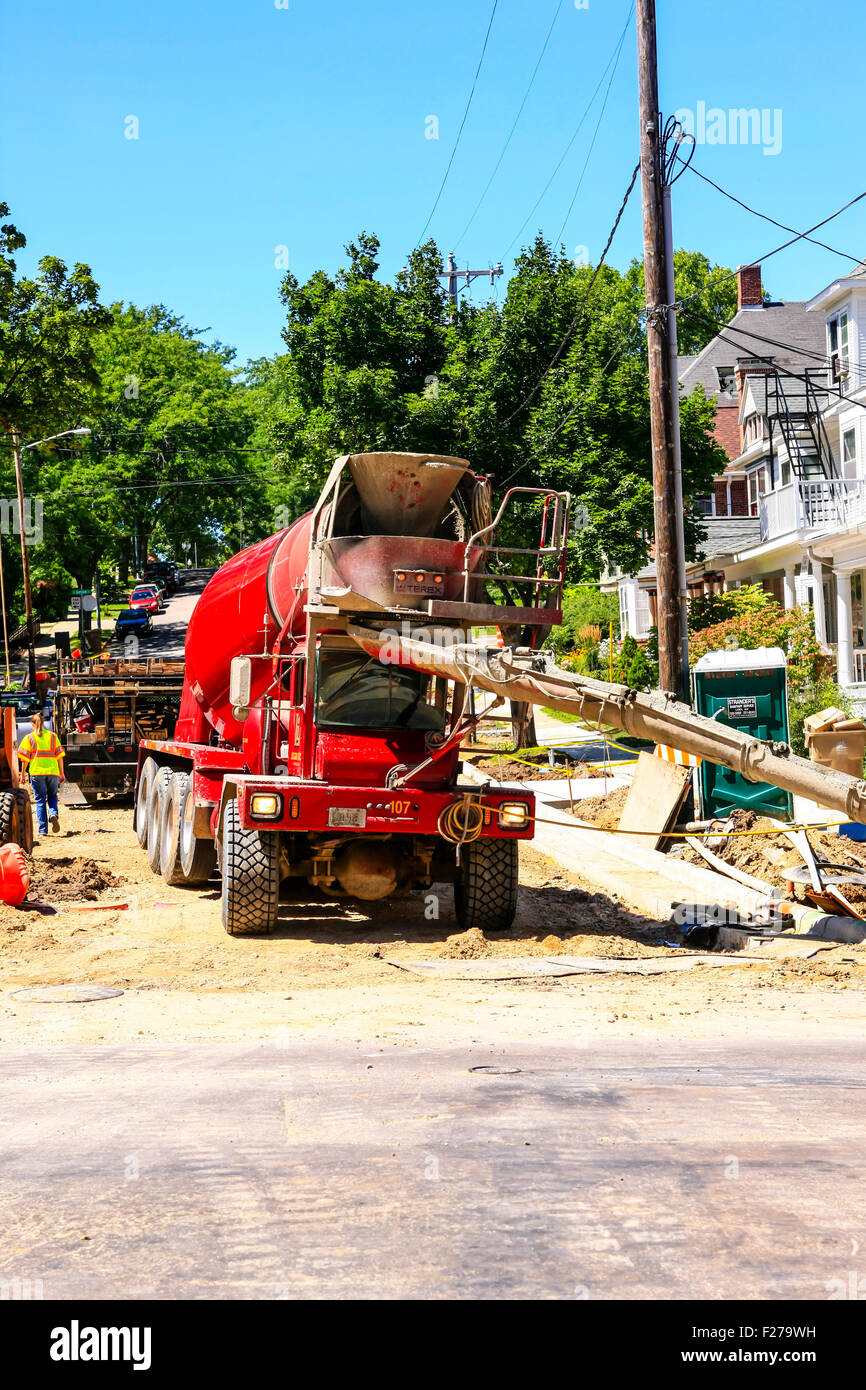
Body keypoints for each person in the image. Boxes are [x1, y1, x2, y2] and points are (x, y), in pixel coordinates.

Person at [18, 710, 65, 838]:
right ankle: (53, 813)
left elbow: (24, 760)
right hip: (53, 772)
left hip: (37, 773)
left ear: (32, 724)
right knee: (53, 796)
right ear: (43, 723)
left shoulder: (29, 738)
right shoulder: (53, 736)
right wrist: (62, 772)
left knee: (40, 801)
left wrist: (22, 775)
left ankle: (43, 830)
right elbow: (60, 756)